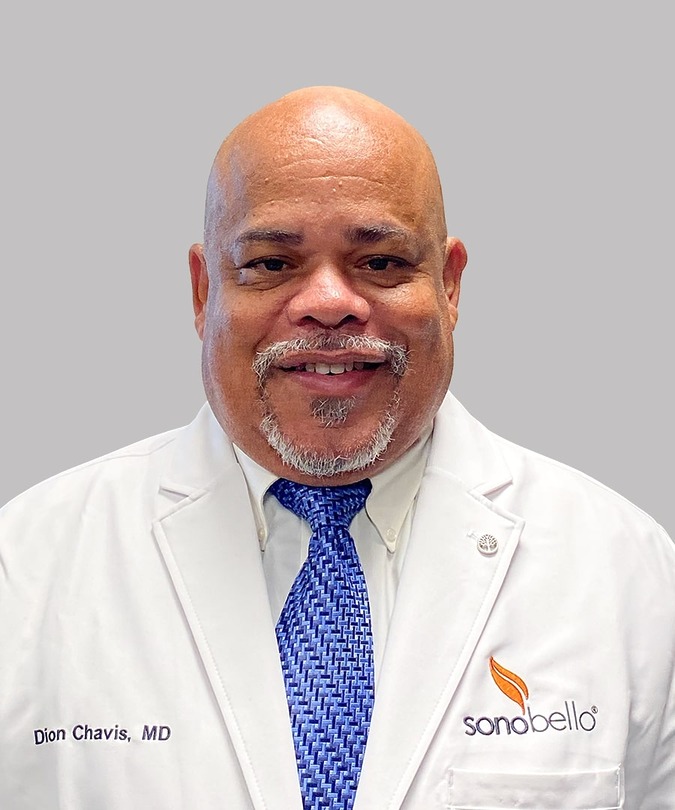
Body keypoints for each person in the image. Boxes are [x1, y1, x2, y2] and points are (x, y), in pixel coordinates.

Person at [0, 86, 673, 810]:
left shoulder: (627, 572)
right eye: (269, 263)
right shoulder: (29, 565)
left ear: (449, 285)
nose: (327, 302)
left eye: (380, 262)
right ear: (202, 292)